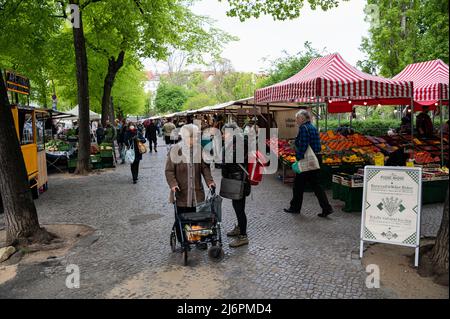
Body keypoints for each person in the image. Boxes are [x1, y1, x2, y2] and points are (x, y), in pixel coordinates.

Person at [165, 124, 216, 244]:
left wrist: (210, 182)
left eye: (194, 138)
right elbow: (169, 171)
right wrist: (173, 184)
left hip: (196, 192)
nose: (193, 140)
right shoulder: (175, 150)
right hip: (181, 192)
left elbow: (204, 168)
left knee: (197, 218)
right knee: (182, 218)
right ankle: (183, 241)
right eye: (190, 138)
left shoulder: (199, 149)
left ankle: (197, 239)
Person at [284, 110, 333, 218]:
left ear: (303, 118)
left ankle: (295, 208)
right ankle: (326, 208)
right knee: (316, 185)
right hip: (316, 158)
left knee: (298, 185)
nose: (296, 120)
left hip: (307, 159)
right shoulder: (312, 127)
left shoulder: (303, 128)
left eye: (297, 118)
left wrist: (299, 157)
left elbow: (304, 144)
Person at [218, 123, 251, 248]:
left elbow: (233, 160)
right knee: (237, 206)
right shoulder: (234, 142)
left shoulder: (239, 143)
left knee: (239, 208)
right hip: (235, 178)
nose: (222, 135)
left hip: (239, 180)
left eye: (224, 133)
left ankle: (243, 236)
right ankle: (239, 228)